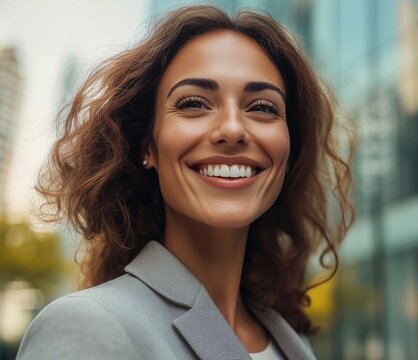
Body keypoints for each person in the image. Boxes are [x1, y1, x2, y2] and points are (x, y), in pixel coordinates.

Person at [16, 5, 354, 360]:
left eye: (263, 107)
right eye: (194, 103)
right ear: (148, 146)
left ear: (288, 150)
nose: (233, 129)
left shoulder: (290, 341)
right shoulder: (87, 327)